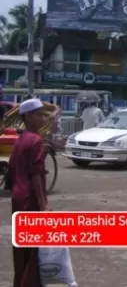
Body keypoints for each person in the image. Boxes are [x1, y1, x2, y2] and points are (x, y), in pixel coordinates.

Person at [8, 98, 48, 286]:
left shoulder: (21, 139)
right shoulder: (36, 140)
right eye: (39, 115)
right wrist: (43, 206)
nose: (43, 118)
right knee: (33, 250)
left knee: (21, 248)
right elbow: (36, 175)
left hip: (17, 198)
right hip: (30, 200)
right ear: (28, 117)